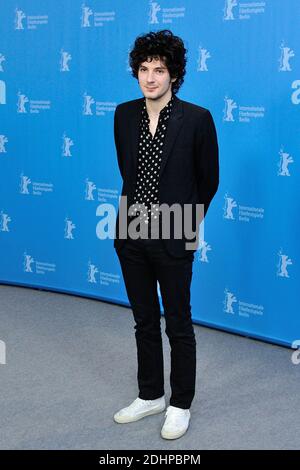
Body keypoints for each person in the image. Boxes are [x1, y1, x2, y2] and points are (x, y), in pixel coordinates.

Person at [113, 30, 219, 440]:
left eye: (160, 69)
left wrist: (183, 224)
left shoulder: (197, 118)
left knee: (178, 322)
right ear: (136, 72)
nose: (151, 77)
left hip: (175, 232)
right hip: (131, 231)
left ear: (174, 74)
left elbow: (208, 181)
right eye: (144, 69)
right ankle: (151, 395)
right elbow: (128, 173)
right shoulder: (123, 114)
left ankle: (180, 403)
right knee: (143, 321)